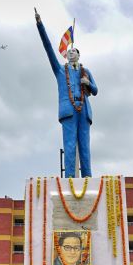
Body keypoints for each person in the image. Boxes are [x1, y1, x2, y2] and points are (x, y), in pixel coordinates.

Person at [35, 9, 98, 177]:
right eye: (69, 52)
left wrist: (88, 83)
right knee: (70, 145)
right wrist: (40, 25)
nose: (71, 53)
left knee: (85, 147)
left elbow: (96, 90)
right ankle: (69, 179)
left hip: (84, 110)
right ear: (66, 56)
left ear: (78, 55)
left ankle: (87, 178)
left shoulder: (86, 71)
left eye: (74, 52)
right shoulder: (60, 71)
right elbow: (48, 49)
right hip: (68, 110)